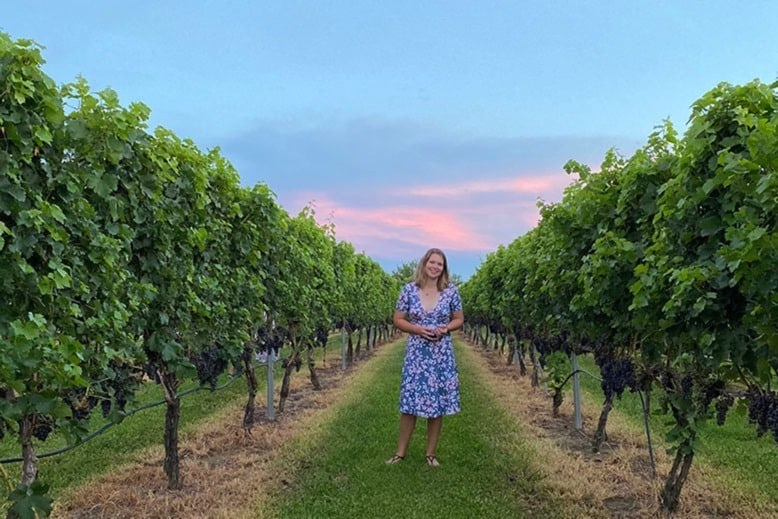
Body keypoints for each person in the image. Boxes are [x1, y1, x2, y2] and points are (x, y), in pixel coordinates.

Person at [386, 248, 464, 467]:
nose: (435, 267)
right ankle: (400, 453)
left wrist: (446, 328)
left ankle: (430, 454)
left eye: (440, 264)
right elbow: (398, 319)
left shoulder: (451, 292)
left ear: (443, 268)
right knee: (410, 403)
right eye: (432, 262)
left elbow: (459, 319)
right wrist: (418, 330)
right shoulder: (409, 290)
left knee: (436, 404)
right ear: (424, 263)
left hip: (441, 354)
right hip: (417, 353)